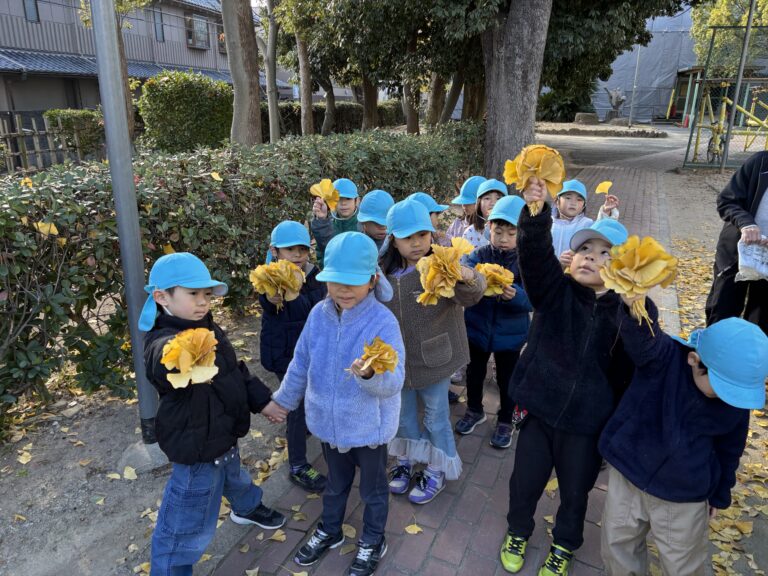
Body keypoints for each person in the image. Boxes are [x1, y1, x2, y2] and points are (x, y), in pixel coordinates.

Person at [499, 178, 633, 576]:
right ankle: (517, 530)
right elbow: (535, 258)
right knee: (525, 481)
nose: (591, 257)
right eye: (584, 249)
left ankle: (564, 544)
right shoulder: (555, 293)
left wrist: (636, 305)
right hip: (540, 409)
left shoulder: (627, 313)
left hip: (587, 424)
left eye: (605, 254)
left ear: (624, 270)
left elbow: (633, 368)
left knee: (576, 493)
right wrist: (536, 213)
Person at [265, 232, 406, 576]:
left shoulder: (383, 322)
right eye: (336, 281)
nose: (344, 290)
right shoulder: (318, 315)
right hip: (329, 427)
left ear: (373, 280)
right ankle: (330, 529)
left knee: (372, 491)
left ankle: (373, 539)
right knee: (335, 485)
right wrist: (283, 400)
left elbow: (395, 380)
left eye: (354, 282)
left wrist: (371, 375)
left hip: (368, 429)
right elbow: (301, 362)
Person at [139, 252, 287, 576]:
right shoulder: (162, 340)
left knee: (234, 476)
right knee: (184, 524)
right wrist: (180, 358)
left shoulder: (209, 327)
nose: (203, 302)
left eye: (206, 295)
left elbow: (235, 372)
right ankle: (170, 569)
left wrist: (263, 402)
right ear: (162, 297)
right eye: (193, 294)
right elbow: (159, 364)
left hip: (223, 434)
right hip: (196, 449)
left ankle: (247, 507)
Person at [600, 298, 768, 575]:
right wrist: (635, 305)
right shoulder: (663, 358)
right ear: (694, 360)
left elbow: (730, 450)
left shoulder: (734, 403)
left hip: (684, 495)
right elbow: (642, 335)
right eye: (722, 388)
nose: (728, 398)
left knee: (684, 563)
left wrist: (719, 493)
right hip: (630, 473)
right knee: (618, 545)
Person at [381, 200, 486, 504]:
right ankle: (405, 461)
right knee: (402, 417)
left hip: (436, 360)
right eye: (407, 238)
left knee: (436, 417)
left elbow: (473, 294)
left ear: (431, 235)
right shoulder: (383, 274)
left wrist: (467, 275)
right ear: (392, 240)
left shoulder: (441, 265)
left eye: (422, 236)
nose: (416, 244)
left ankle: (436, 468)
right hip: (398, 362)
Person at [455, 195, 532, 449]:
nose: (504, 238)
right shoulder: (478, 255)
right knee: (475, 373)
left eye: (512, 233)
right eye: (498, 231)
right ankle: (475, 410)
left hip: (510, 336)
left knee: (507, 379)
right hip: (476, 329)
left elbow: (534, 298)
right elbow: (464, 279)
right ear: (489, 228)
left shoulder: (526, 261)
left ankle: (505, 420)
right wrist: (471, 281)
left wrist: (516, 296)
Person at [259, 221, 328, 493]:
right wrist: (275, 297)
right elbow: (269, 300)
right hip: (285, 352)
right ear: (275, 251)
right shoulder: (270, 278)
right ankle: (298, 465)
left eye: (303, 249)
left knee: (311, 400)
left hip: (310, 350)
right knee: (296, 408)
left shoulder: (314, 274)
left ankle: (307, 431)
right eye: (291, 250)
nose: (298, 255)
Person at [705, 150, 768, 334]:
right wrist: (746, 223)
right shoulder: (760, 163)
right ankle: (713, 359)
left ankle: (751, 361)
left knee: (761, 325)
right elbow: (726, 201)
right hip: (736, 255)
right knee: (722, 313)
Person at [553, 179, 620, 269]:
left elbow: (602, 230)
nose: (573, 203)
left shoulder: (587, 224)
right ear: (557, 202)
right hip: (547, 274)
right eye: (568, 198)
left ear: (583, 206)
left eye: (579, 199)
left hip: (574, 276)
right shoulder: (546, 224)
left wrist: (606, 211)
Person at [311, 177, 360, 267]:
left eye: (348, 199)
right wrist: (322, 219)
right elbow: (321, 253)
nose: (343, 203)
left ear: (357, 200)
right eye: (339, 199)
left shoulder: (364, 224)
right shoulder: (327, 223)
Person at [463, 178, 508, 249]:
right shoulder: (470, 232)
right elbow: (464, 259)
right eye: (487, 198)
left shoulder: (514, 230)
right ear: (479, 203)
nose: (493, 203)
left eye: (498, 198)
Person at [447, 175, 486, 242]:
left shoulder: (489, 228)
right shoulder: (458, 224)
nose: (464, 205)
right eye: (463, 202)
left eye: (468, 202)